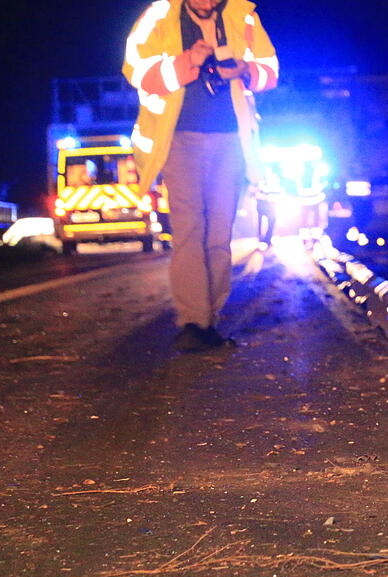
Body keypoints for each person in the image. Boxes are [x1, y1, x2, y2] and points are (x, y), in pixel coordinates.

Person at [123, 0, 278, 352]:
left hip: (230, 139)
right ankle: (194, 321)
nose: (207, 3)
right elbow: (135, 70)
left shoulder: (243, 16)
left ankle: (210, 319)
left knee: (219, 233)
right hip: (178, 139)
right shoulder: (159, 16)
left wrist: (244, 70)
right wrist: (186, 61)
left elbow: (270, 70)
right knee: (189, 230)